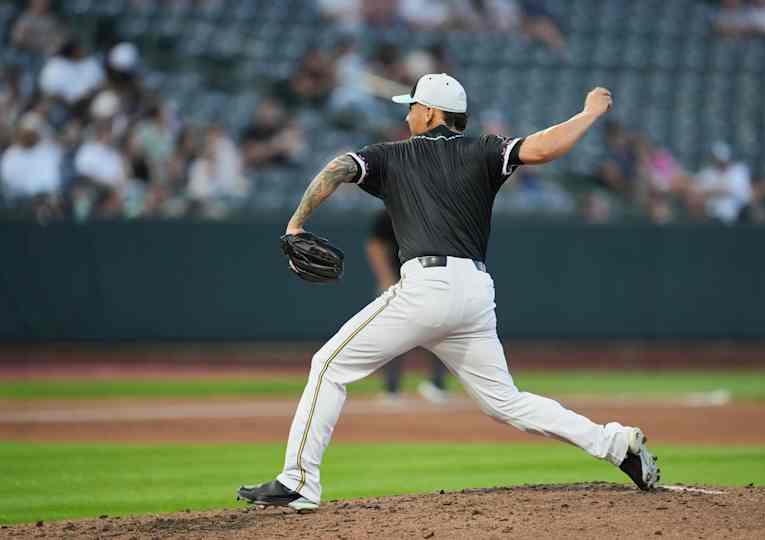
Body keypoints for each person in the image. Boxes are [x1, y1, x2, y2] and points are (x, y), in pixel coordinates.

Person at [237, 73, 660, 511]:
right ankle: (614, 444)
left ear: (429, 112)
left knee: (328, 366)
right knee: (506, 402)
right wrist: (589, 113)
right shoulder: (485, 150)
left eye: (411, 106)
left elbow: (339, 167)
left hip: (426, 287)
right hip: (474, 293)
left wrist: (296, 223)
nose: (407, 115)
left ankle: (298, 481)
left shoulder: (392, 155)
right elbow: (543, 147)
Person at [367, 209, 448, 404]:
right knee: (391, 336)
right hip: (398, 280)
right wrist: (386, 279)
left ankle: (437, 384)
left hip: (428, 280)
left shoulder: (434, 211)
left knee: (437, 331)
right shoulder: (390, 211)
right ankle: (391, 388)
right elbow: (375, 246)